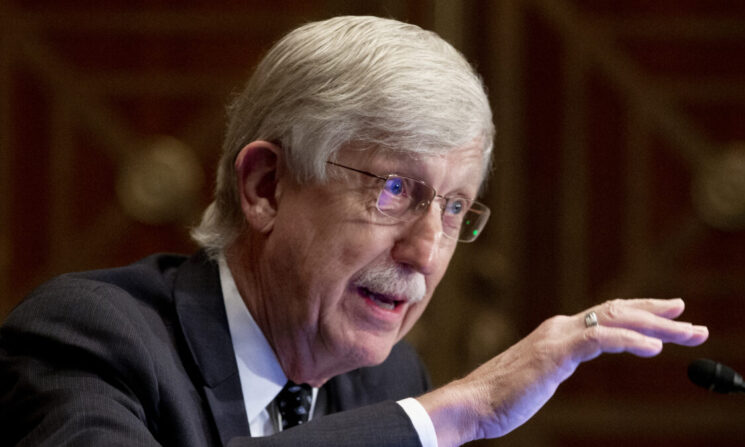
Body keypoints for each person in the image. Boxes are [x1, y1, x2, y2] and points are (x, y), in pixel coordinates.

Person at [0, 15, 708, 447]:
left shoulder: (385, 380)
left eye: (454, 207)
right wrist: (456, 411)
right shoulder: (88, 339)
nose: (426, 251)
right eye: (395, 189)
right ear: (265, 187)